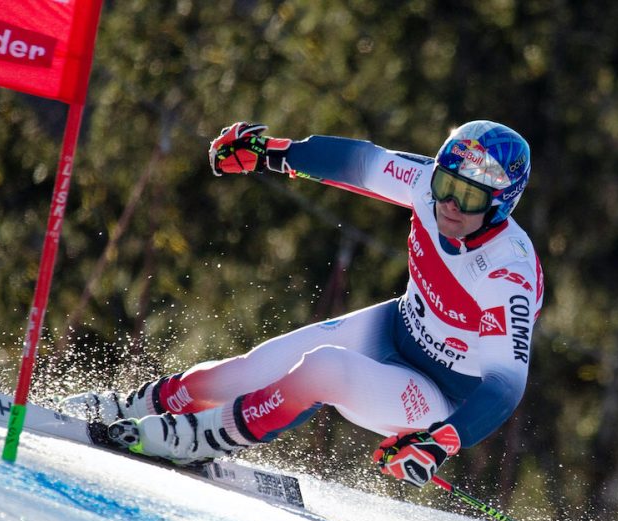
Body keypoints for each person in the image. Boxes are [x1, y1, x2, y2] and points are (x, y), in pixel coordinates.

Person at [61, 120, 543, 487]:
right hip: (396, 329)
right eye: (445, 186)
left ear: (502, 203)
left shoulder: (507, 274)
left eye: (469, 196)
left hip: (437, 394)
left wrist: (439, 443)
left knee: (324, 369)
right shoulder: (428, 184)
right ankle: (134, 404)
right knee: (246, 371)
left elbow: (505, 386)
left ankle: (205, 437)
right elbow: (359, 163)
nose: (450, 205)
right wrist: (269, 153)